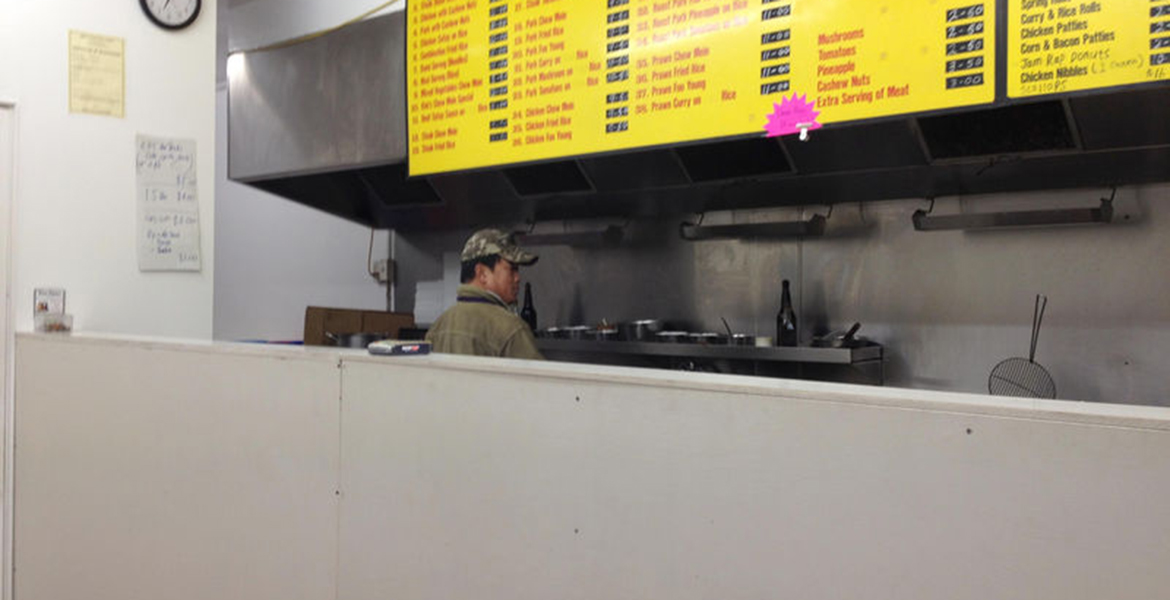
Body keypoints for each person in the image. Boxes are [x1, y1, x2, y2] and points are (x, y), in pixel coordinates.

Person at [425, 228, 544, 359]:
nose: (517, 278)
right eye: (512, 269)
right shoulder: (511, 329)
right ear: (482, 273)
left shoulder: (438, 327)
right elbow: (536, 372)